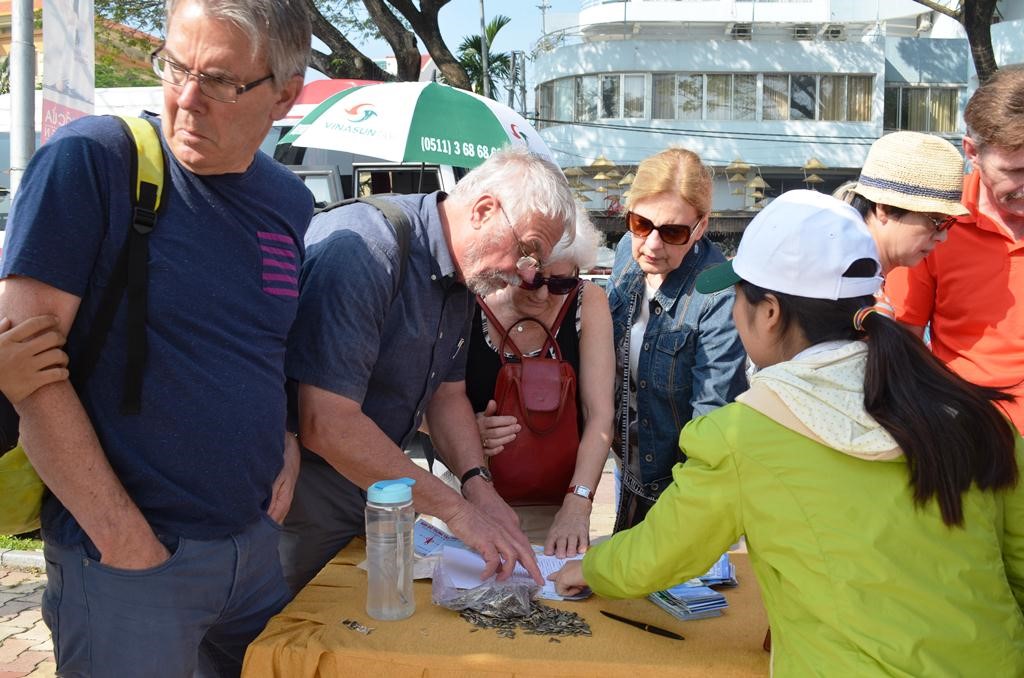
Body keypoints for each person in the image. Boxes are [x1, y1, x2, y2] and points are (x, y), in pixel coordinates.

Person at [550, 190, 1024, 677]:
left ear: (770, 312)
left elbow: (659, 556)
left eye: (737, 298)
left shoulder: (744, 435)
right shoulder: (972, 412)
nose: (734, 314)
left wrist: (588, 568)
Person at [0, 0, 312, 674]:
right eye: (175, 67)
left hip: (254, 551)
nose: (188, 100)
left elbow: (269, 343)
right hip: (130, 564)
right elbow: (26, 373)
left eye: (223, 81)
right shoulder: (92, 161)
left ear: (286, 93)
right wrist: (125, 543)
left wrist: (285, 442)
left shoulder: (289, 202)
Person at [280, 146, 575, 593]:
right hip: (305, 491)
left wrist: (478, 486)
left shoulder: (463, 275)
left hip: (379, 491)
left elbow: (447, 395)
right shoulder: (367, 249)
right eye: (527, 251)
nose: (523, 275)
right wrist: (458, 511)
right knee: (284, 639)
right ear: (483, 210)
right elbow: (327, 422)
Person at [606, 147, 746, 530]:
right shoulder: (624, 252)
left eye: (672, 232)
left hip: (680, 486)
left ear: (701, 226)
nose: (652, 244)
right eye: (640, 224)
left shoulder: (718, 293)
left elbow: (712, 416)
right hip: (626, 464)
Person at [466, 211, 614, 557]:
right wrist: (467, 430)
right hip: (471, 497)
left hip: (558, 506)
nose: (544, 294)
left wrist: (578, 504)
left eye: (560, 283)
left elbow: (600, 415)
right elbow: (426, 405)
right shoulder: (468, 299)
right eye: (533, 279)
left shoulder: (587, 301)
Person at [885, 66, 1024, 434]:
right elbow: (903, 341)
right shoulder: (933, 224)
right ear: (972, 152)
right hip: (971, 436)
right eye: (1015, 170)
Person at [844, 130, 969, 275]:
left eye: (946, 223)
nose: (942, 237)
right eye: (935, 221)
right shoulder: (836, 283)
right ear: (885, 208)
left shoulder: (850, 273)